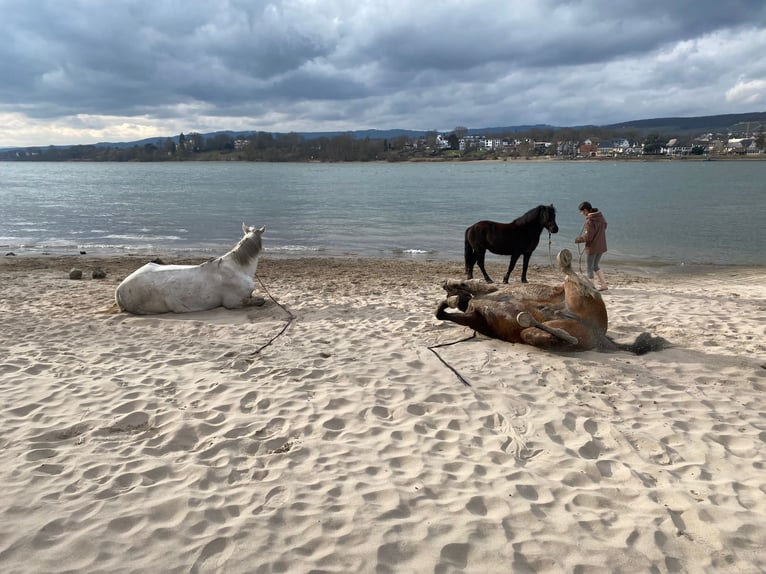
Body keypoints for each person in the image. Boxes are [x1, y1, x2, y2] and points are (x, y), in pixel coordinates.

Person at [575, 201, 608, 290]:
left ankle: (591, 287)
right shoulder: (600, 217)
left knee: (589, 267)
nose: (581, 213)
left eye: (581, 212)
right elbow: (605, 225)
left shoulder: (589, 221)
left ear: (585, 210)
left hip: (592, 247)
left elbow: (589, 237)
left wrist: (579, 239)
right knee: (595, 265)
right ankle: (604, 285)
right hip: (601, 245)